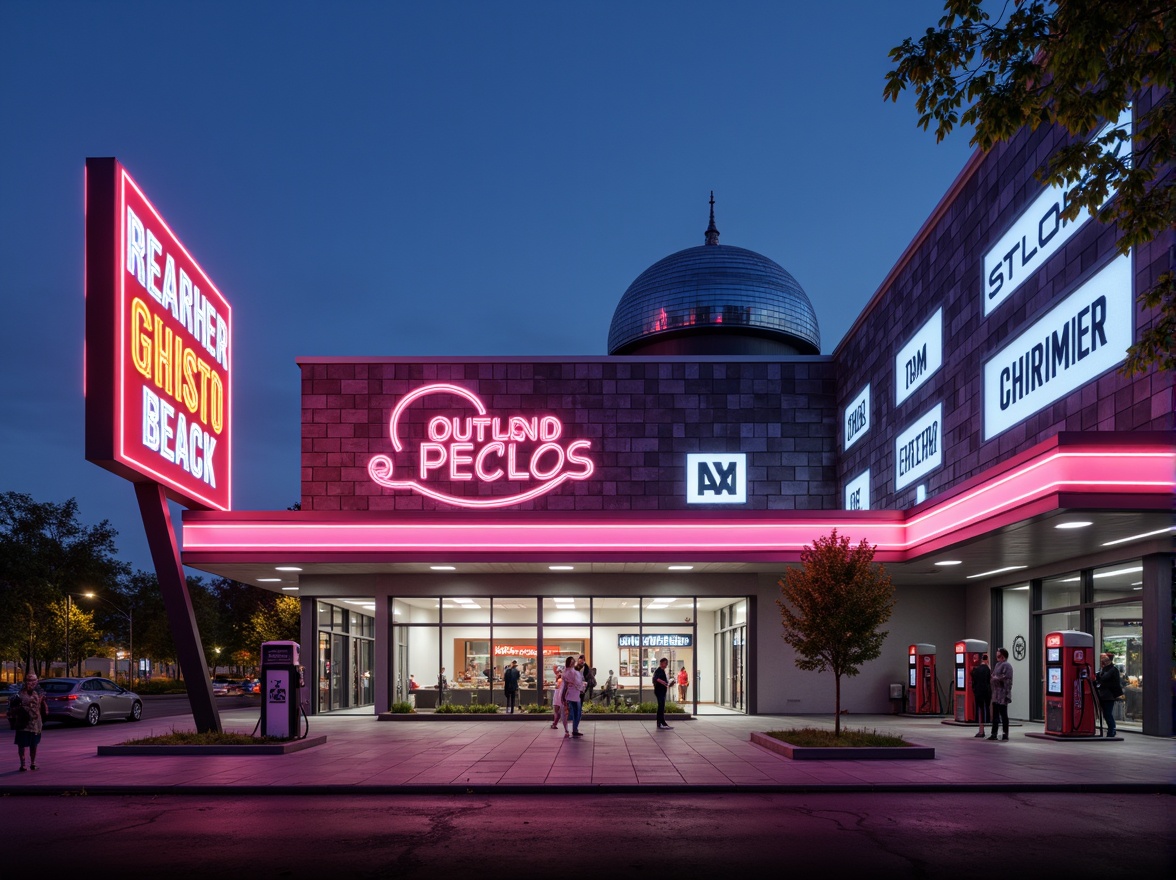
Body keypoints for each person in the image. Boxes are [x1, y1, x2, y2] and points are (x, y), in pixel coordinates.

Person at [9, 672, 46, 771]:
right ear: (25, 681)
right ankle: (23, 764)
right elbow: (12, 705)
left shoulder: (39, 692)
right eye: (29, 680)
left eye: (34, 680)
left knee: (34, 744)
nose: (32, 682)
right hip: (23, 722)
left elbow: (41, 704)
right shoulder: (19, 693)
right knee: (22, 744)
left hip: (35, 723)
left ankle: (33, 763)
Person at [1095, 652, 1124, 737]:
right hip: (1103, 694)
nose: (1103, 660)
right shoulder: (1103, 669)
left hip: (1109, 695)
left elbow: (1106, 680)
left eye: (1105, 659)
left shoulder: (1113, 670)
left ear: (1109, 660)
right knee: (1106, 713)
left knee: (1108, 713)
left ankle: (1112, 729)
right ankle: (1111, 729)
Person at [988, 648, 1013, 740]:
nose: (997, 657)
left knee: (1003, 715)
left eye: (999, 655)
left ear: (1003, 656)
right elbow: (993, 676)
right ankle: (994, 733)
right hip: (996, 694)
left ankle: (1005, 733)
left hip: (1002, 695)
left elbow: (1007, 679)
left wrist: (995, 679)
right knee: (995, 715)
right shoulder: (997, 665)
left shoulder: (1007, 666)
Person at [561, 655, 585, 737]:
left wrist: (562, 696)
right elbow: (579, 684)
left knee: (569, 712)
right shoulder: (575, 673)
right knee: (577, 712)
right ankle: (574, 729)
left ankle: (568, 730)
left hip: (568, 694)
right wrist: (582, 687)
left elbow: (564, 685)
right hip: (574, 694)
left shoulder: (565, 672)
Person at [970, 653, 991, 737]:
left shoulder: (976, 670)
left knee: (980, 710)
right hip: (986, 691)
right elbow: (989, 680)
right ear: (987, 660)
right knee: (986, 708)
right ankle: (987, 722)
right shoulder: (988, 669)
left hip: (978, 692)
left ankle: (981, 730)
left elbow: (973, 679)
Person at [652, 657, 672, 729]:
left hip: (662, 691)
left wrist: (668, 683)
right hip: (659, 691)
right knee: (661, 707)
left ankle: (662, 722)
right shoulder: (658, 671)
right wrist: (663, 682)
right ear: (662, 663)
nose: (666, 665)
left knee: (662, 707)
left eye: (667, 663)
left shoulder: (663, 671)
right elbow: (655, 678)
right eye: (665, 663)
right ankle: (660, 723)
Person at [550, 665, 564, 729]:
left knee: (557, 710)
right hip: (559, 695)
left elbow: (558, 687)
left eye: (557, 671)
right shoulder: (560, 679)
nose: (556, 672)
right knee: (557, 710)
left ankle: (555, 723)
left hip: (558, 695)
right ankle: (554, 723)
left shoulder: (560, 680)